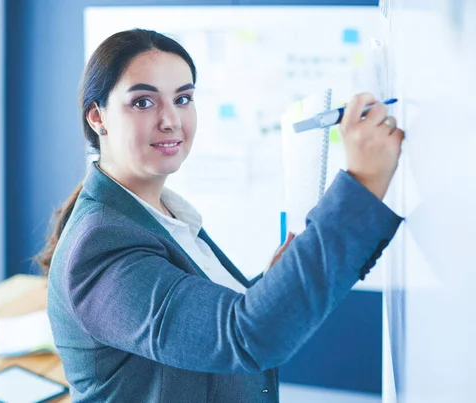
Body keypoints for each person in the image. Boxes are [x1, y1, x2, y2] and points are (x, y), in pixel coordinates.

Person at [38, 28, 404, 403]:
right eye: (144, 102)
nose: (171, 120)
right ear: (98, 117)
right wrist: (362, 184)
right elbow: (244, 336)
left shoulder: (163, 215)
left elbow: (213, 319)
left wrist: (270, 282)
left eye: (183, 98)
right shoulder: (101, 246)